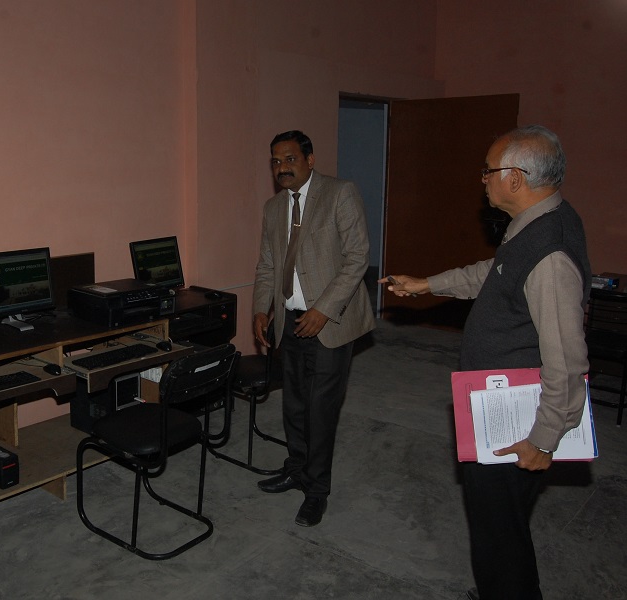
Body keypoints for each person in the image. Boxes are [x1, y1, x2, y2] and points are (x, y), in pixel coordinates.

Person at [381, 125, 590, 600]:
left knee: (501, 535)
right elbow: (493, 274)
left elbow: (567, 359)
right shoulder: (536, 222)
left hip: (517, 420)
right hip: (496, 399)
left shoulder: (549, 253)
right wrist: (427, 284)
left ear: (515, 177)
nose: (483, 179)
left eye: (488, 170)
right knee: (499, 525)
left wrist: (543, 438)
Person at [252, 130, 375, 527]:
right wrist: (261, 309)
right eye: (275, 161)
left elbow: (357, 258)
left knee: (320, 410)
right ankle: (296, 468)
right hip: (290, 321)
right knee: (294, 404)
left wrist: (324, 309)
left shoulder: (340, 193)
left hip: (329, 322)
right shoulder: (274, 207)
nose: (281, 167)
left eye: (289, 159)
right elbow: (268, 265)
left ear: (309, 159)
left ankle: (316, 490)